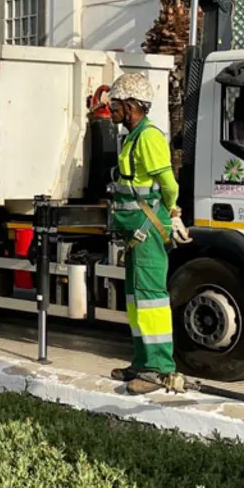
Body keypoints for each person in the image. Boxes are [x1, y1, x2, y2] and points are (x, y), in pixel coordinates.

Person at [106, 73, 192, 395]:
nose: (110, 109)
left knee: (152, 299)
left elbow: (168, 184)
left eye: (115, 104)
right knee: (136, 299)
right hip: (135, 233)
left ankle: (159, 368)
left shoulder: (149, 137)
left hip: (147, 229)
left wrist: (171, 211)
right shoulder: (132, 136)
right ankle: (142, 362)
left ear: (130, 106)